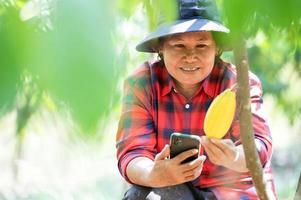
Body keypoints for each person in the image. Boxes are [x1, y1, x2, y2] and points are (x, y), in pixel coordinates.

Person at [116, 0, 277, 199]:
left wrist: (235, 157)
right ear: (160, 48)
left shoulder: (239, 85)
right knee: (138, 194)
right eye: (178, 45)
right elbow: (132, 153)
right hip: (174, 188)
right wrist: (152, 174)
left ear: (216, 48)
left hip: (233, 192)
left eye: (202, 45)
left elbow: (259, 146)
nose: (190, 56)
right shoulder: (142, 83)